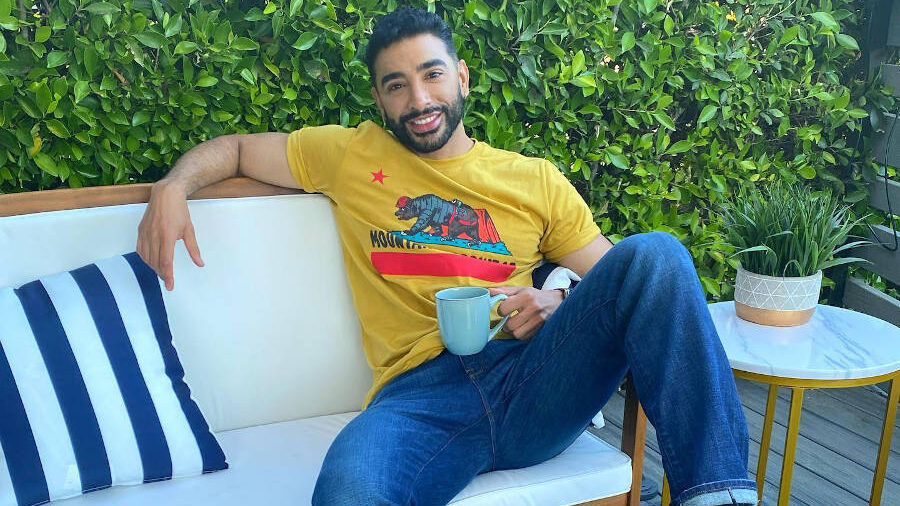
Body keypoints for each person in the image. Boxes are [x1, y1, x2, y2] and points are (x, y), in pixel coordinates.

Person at [137, 7, 758, 506]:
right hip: (417, 400)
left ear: (461, 76)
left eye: (431, 75)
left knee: (657, 255)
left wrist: (555, 298)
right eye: (397, 85)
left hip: (534, 376)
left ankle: (720, 496)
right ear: (381, 102)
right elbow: (240, 149)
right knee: (349, 490)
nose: (418, 98)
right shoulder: (350, 156)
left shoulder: (532, 179)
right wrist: (173, 186)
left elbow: (621, 284)